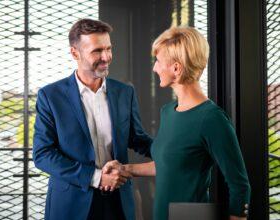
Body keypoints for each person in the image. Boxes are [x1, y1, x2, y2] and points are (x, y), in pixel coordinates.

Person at [103, 26, 251, 220]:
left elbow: (239, 185)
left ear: (176, 69)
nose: (154, 67)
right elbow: (169, 165)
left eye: (158, 61)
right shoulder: (168, 112)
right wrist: (125, 169)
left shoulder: (211, 119)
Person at [32, 18, 152, 220]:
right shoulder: (50, 96)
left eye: (109, 49)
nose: (106, 57)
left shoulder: (125, 92)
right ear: (74, 53)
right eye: (97, 51)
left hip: (118, 203)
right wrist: (96, 177)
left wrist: (172, 150)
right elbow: (43, 154)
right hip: (71, 204)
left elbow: (137, 139)